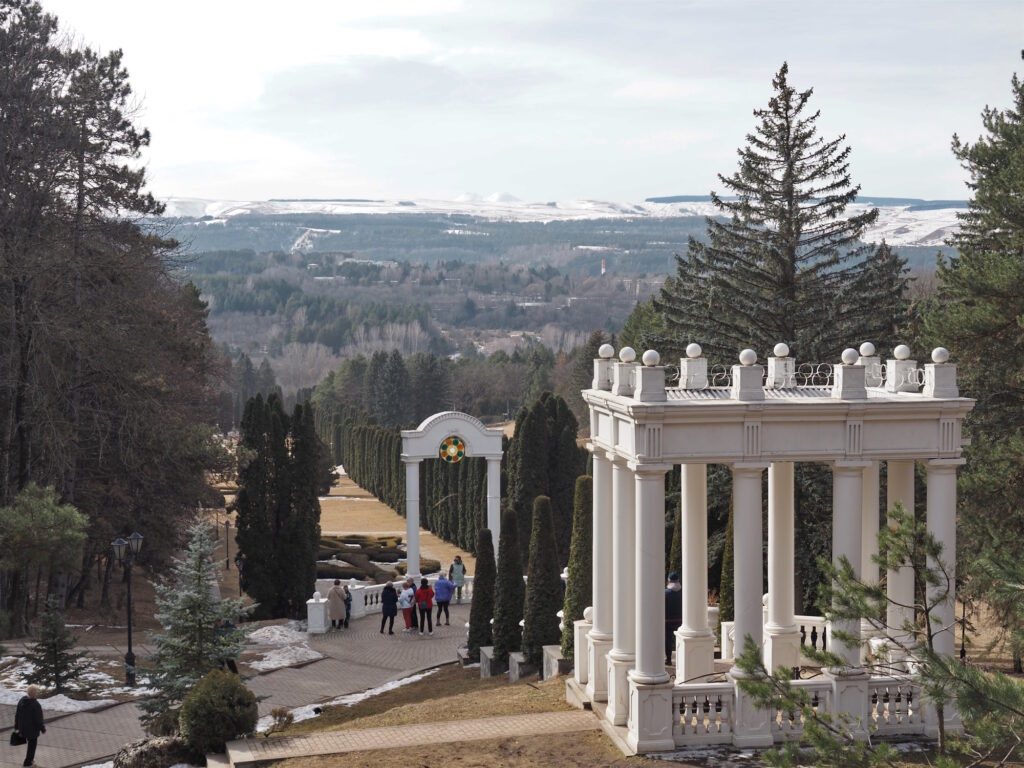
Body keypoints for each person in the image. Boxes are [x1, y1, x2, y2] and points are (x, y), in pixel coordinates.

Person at [14, 685, 45, 767]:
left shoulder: (22, 700)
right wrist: (42, 728)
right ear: (35, 693)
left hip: (22, 728)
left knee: (30, 744)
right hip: (32, 729)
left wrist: (17, 726)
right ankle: (28, 763)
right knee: (32, 746)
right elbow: (38, 719)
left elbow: (17, 714)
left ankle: (29, 760)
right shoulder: (35, 704)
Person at [665, 571, 683, 667]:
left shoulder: (665, 593)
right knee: (680, 639)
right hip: (680, 620)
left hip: (667, 621)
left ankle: (668, 659)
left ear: (669, 581)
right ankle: (681, 659)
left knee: (668, 640)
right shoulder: (683, 593)